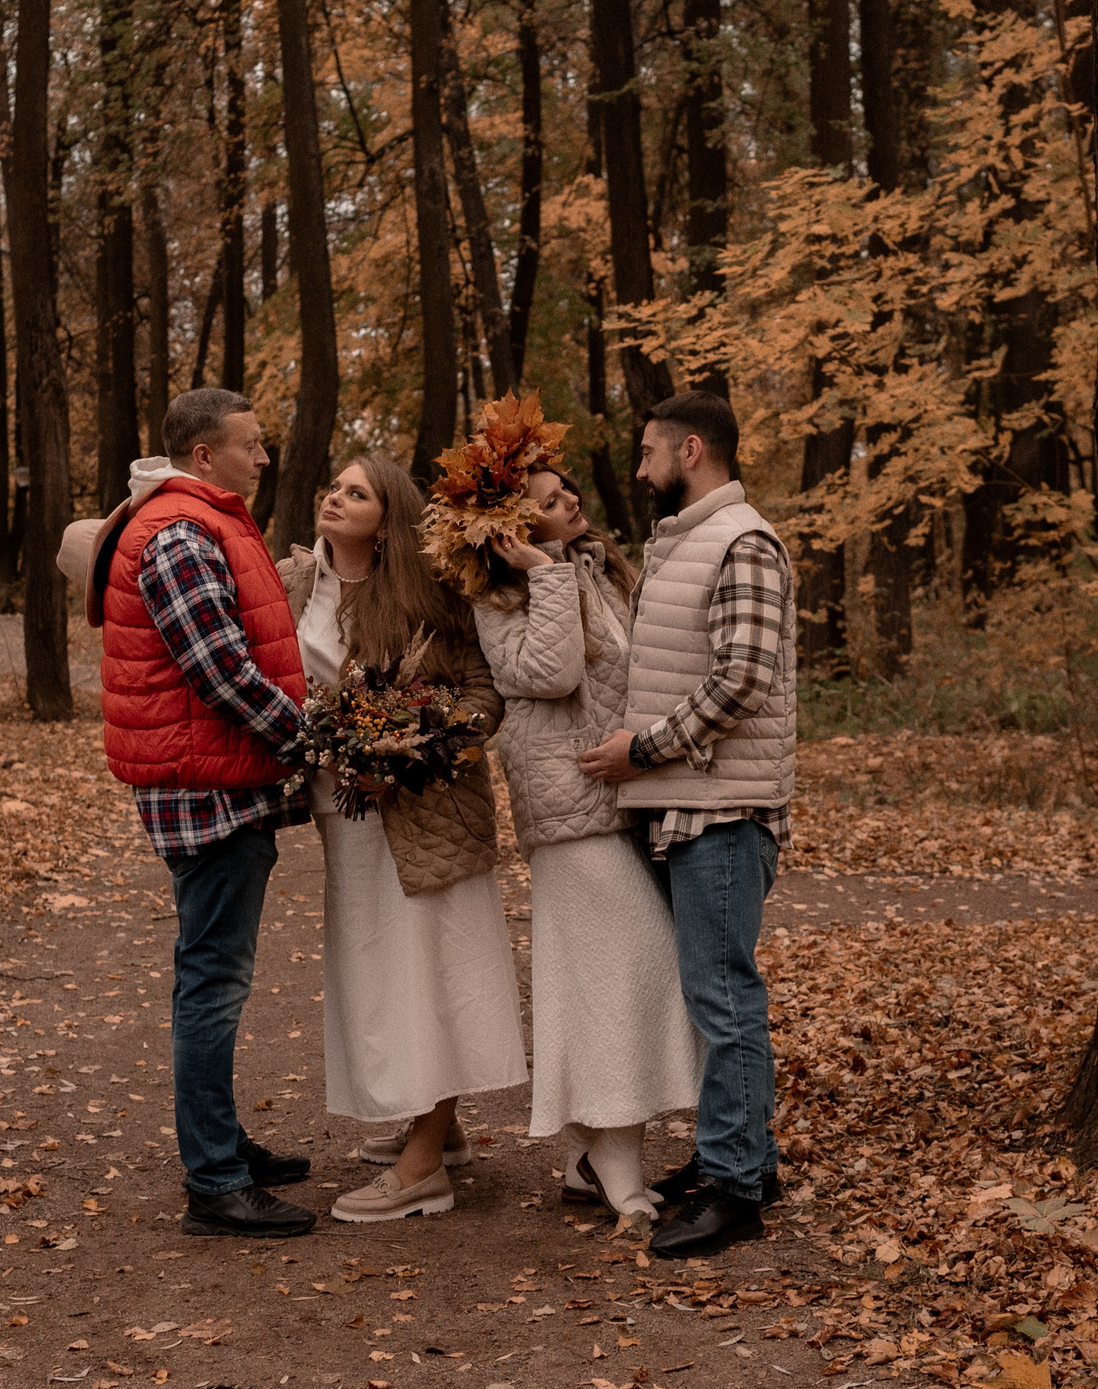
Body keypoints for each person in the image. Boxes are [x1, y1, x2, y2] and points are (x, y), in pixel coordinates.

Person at [92, 386, 319, 1239]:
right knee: (213, 982)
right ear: (204, 455)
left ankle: (221, 1144)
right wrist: (311, 739)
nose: (264, 457)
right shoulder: (183, 533)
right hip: (208, 790)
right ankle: (216, 1181)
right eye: (251, 444)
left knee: (215, 974)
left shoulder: (190, 517)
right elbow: (221, 671)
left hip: (211, 781)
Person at [580, 391, 797, 1260]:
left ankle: (736, 1186)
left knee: (724, 995)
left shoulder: (743, 541)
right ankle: (738, 1157)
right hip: (688, 805)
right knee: (712, 993)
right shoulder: (684, 544)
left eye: (648, 453)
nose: (639, 470)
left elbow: (742, 676)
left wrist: (647, 749)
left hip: (724, 809)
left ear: (692, 450)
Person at [282, 456, 525, 1224]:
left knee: (434, 968)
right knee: (378, 969)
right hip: (342, 814)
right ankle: (437, 1127)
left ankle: (424, 1164)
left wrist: (413, 752)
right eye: (335, 485)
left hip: (426, 810)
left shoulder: (426, 594)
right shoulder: (298, 584)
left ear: (387, 517)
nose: (336, 496)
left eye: (357, 491)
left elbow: (485, 695)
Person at [477, 468, 702, 1225]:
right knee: (630, 970)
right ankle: (614, 1158)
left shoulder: (600, 572)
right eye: (548, 500)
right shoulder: (500, 596)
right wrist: (540, 574)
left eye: (569, 489)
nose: (571, 499)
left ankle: (585, 1156)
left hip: (620, 800)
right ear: (510, 528)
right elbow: (549, 671)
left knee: (612, 977)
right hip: (567, 808)